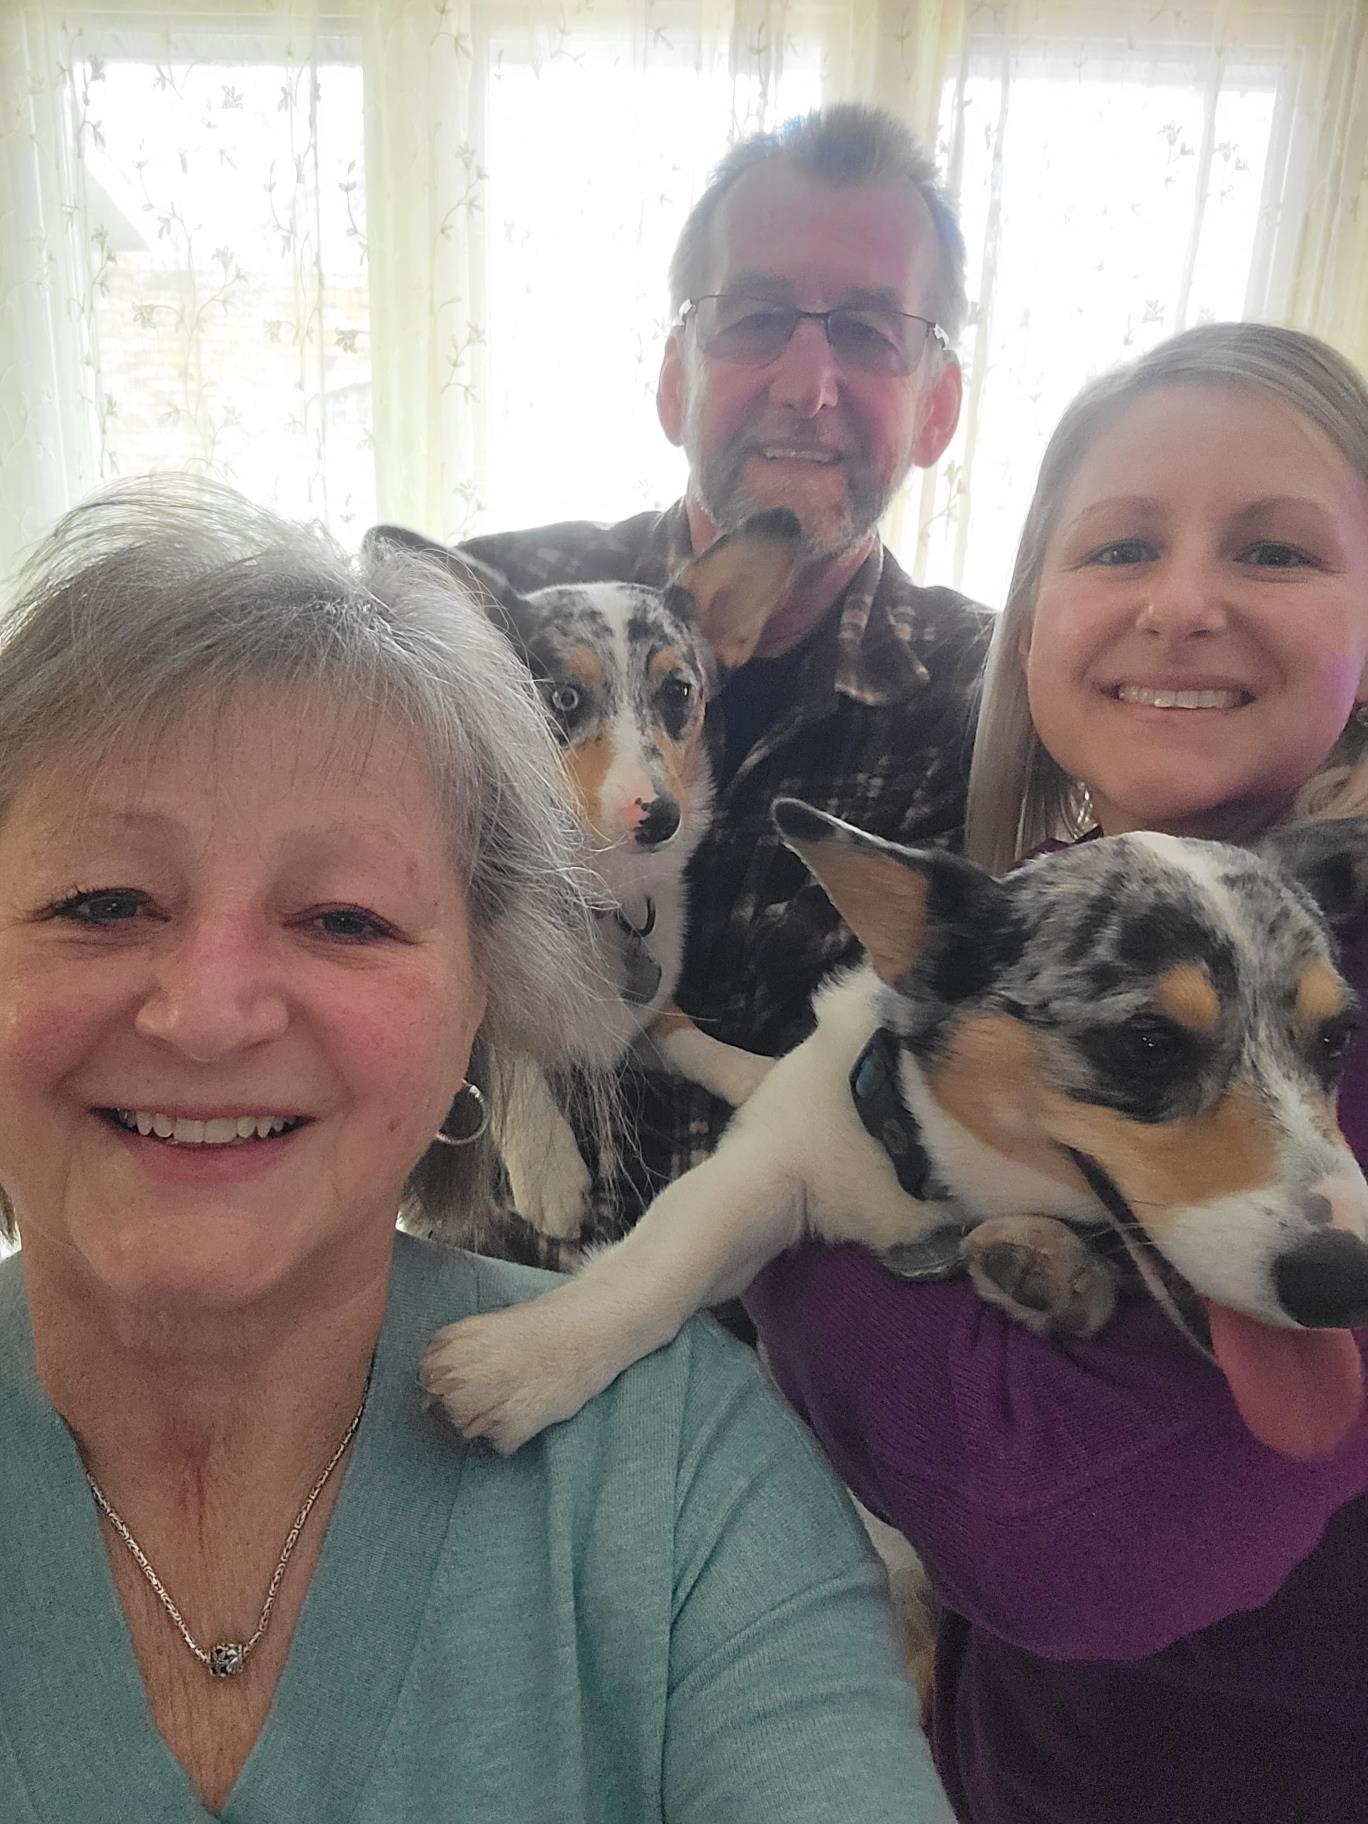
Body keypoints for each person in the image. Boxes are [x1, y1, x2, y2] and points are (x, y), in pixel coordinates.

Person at [0, 477, 953, 1821]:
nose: (210, 1017)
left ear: (487, 997)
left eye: (344, 918)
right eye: (102, 901)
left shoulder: (685, 1473)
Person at [745, 321, 1368, 1823]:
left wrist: (784, 1224)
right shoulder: (1036, 911)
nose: (1186, 603)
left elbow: (1070, 1539)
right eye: (1121, 547)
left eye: (1276, 551)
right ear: (1029, 632)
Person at [447, 102, 992, 1247]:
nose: (809, 382)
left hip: (801, 1334)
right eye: (754, 318)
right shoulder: (486, 610)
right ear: (672, 378)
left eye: (869, 332)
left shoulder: (997, 703)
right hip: (475, 1294)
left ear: (938, 407)